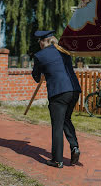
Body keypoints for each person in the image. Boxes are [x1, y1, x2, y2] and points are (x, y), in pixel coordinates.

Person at [32, 30, 81, 168]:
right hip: (74, 89)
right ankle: (74, 147)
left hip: (58, 93)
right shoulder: (64, 51)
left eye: (39, 42)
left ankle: (57, 160)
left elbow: (36, 77)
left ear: (42, 42)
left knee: (57, 126)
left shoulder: (39, 55)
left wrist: (41, 73)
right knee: (66, 119)